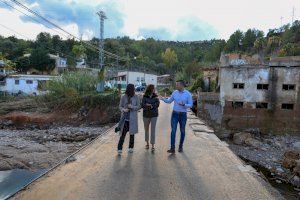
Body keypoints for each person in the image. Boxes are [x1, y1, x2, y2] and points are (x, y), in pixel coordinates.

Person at [161, 80, 193, 154]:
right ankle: (172, 148)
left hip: (183, 115)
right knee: (173, 131)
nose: (176, 86)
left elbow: (190, 105)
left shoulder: (188, 94)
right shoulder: (174, 92)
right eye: (176, 85)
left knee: (182, 131)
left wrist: (184, 105)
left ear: (182, 85)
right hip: (174, 114)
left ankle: (180, 146)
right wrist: (163, 99)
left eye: (177, 85)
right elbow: (169, 101)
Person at [117, 84, 140, 155]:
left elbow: (139, 106)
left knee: (132, 134)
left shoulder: (136, 97)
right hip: (125, 119)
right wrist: (123, 109)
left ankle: (131, 147)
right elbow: (120, 106)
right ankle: (119, 149)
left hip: (132, 119)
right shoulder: (123, 96)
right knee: (122, 135)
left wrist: (132, 107)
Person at [141, 84, 160, 152]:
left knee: (153, 130)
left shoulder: (156, 96)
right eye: (153, 88)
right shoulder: (144, 96)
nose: (154, 89)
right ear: (150, 89)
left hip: (154, 115)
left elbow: (158, 104)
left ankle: (153, 145)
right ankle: (147, 143)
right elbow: (142, 105)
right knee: (146, 130)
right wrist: (147, 106)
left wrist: (151, 106)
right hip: (146, 115)